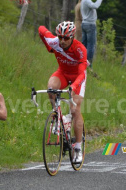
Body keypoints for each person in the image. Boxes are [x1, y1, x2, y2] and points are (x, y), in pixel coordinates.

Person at [38, 21, 87, 163]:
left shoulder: (80, 49)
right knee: (51, 87)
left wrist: (74, 86)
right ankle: (57, 117)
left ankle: (77, 148)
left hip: (78, 77)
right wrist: (47, 44)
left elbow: (82, 74)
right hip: (63, 73)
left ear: (72, 37)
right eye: (60, 37)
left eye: (66, 38)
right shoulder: (54, 42)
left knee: (74, 109)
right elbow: (41, 29)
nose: (62, 41)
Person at [81, 0, 103, 68]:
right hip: (90, 25)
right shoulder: (87, 0)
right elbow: (95, 6)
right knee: (91, 45)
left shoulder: (84, 0)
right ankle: (89, 65)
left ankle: (81, 62)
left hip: (84, 24)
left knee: (84, 45)